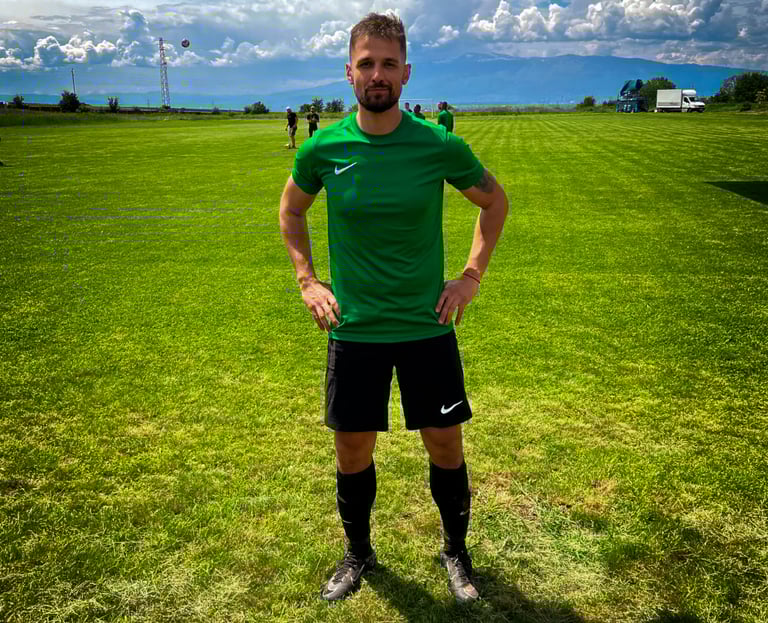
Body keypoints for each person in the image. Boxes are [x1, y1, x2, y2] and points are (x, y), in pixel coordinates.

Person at [279, 12, 508, 604]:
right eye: (366, 63)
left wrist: (470, 278)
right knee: (352, 449)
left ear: (406, 73)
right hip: (355, 330)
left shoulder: (438, 144)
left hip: (426, 327)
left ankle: (455, 552)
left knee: (445, 444)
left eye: (388, 63)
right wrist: (307, 280)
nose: (376, 74)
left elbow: (494, 202)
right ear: (348, 72)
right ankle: (358, 553)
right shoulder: (323, 148)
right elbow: (292, 210)